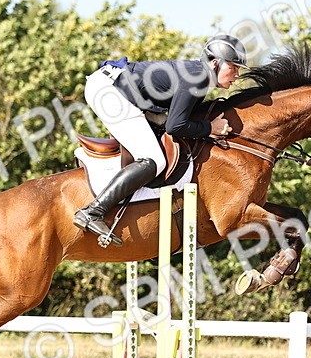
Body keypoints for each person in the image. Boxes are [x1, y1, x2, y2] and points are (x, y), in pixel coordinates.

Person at [73, 33, 247, 242]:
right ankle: (93, 211)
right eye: (233, 67)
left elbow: (172, 121)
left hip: (118, 88)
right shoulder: (198, 78)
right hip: (109, 91)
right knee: (154, 159)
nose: (236, 75)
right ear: (215, 63)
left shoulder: (198, 77)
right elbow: (176, 126)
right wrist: (210, 127)